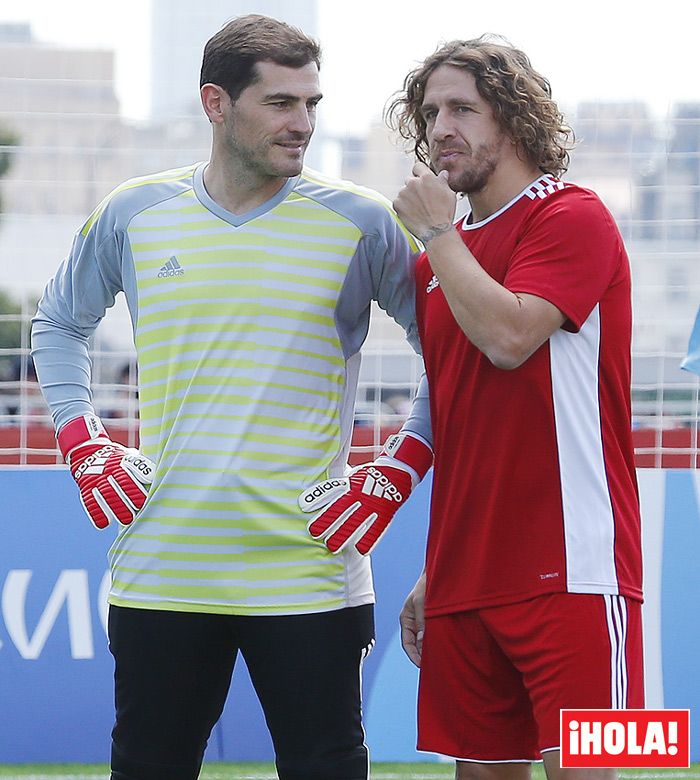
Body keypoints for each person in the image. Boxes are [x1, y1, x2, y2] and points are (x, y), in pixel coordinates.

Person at [30, 15, 428, 780]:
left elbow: (451, 362)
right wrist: (82, 441)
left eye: (312, 103)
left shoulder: (363, 221)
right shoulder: (134, 212)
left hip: (312, 568)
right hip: (163, 565)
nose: (303, 123)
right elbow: (58, 323)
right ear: (216, 103)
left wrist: (398, 467)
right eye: (281, 103)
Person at [307, 34, 644, 780]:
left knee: (588, 772)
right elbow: (456, 397)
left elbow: (510, 337)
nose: (440, 129)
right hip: (465, 577)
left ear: (515, 119)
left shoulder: (573, 216)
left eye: (463, 108)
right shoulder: (436, 265)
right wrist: (440, 568)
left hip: (576, 570)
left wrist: (435, 231)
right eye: (430, 113)